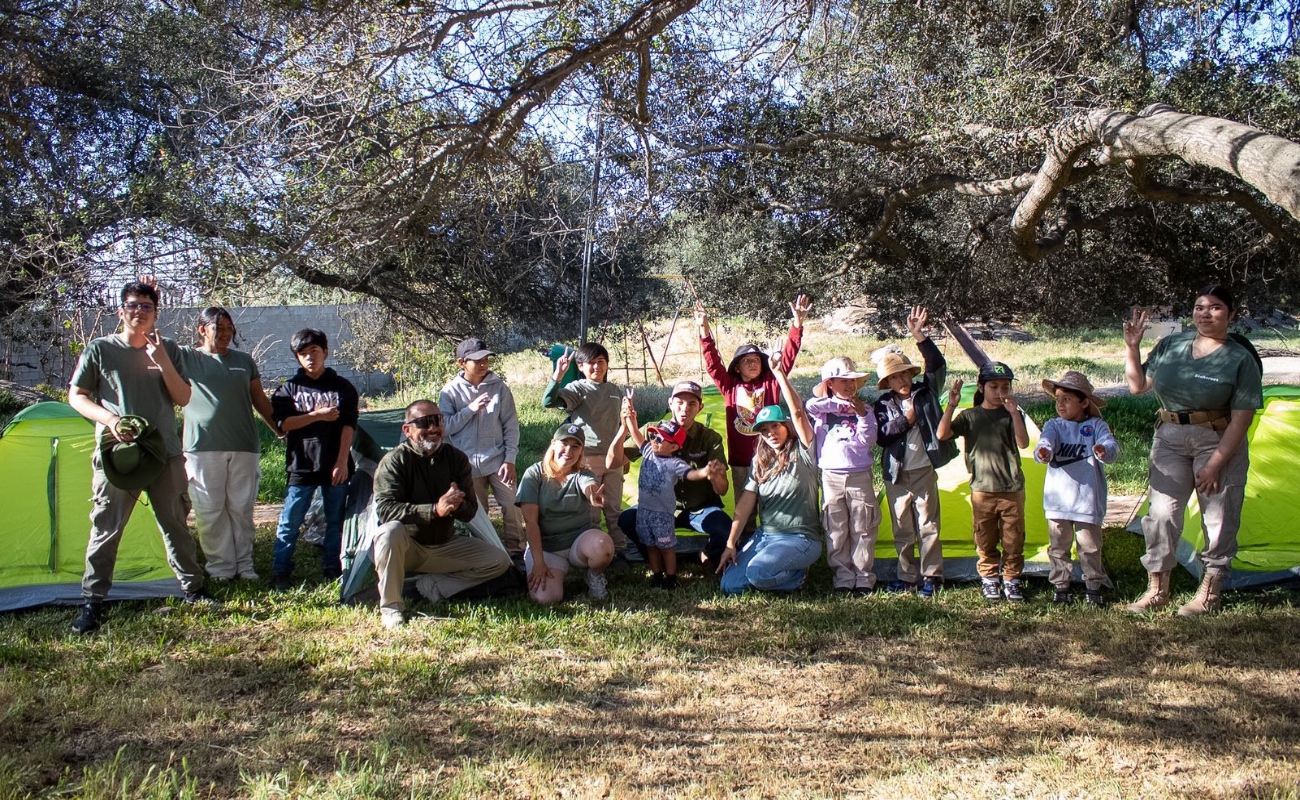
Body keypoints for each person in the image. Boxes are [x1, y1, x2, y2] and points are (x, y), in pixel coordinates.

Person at [67, 280, 212, 634]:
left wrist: (161, 358)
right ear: (121, 311)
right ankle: (92, 601)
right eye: (133, 305)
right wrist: (110, 419)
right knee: (106, 528)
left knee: (176, 522)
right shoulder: (100, 350)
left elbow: (182, 397)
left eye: (146, 306)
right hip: (119, 456)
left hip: (164, 454)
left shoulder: (169, 349)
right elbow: (77, 395)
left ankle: (193, 589)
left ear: (155, 313)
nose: (139, 312)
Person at [1123, 285, 1263, 615]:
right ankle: (1157, 591)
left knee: (1219, 516)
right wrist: (1132, 348)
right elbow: (1138, 386)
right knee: (1161, 515)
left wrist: (1215, 464)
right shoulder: (1172, 345)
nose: (1205, 313)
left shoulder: (1240, 358)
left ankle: (1209, 594)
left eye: (1215, 307)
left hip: (1217, 440)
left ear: (1230, 314)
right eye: (1200, 307)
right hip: (1169, 438)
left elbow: (1242, 421)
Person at [370, 400, 514, 629]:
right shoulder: (394, 462)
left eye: (437, 420)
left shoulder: (456, 458)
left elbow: (470, 512)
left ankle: (433, 586)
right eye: (424, 422)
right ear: (407, 430)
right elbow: (386, 510)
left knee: (498, 561)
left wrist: (457, 505)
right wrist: (434, 510)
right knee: (389, 533)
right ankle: (392, 607)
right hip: (407, 547)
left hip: (444, 544)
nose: (433, 428)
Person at [178, 307, 279, 582]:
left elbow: (260, 401)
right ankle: (221, 567)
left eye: (228, 329)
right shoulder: (187, 358)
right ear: (202, 330)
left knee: (241, 509)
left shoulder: (244, 362)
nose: (224, 334)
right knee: (210, 509)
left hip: (244, 445)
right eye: (218, 328)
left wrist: (281, 432)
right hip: (201, 447)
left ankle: (245, 566)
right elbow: (154, 345)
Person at [717, 352, 823, 595]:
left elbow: (798, 412)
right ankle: (774, 573)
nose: (771, 432)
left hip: (800, 538)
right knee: (729, 586)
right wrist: (731, 543)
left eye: (775, 425)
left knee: (757, 573)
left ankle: (797, 575)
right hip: (766, 537)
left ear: (786, 426)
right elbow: (745, 503)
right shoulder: (760, 460)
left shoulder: (804, 450)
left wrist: (779, 374)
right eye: (764, 430)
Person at [873, 306, 956, 598]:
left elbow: (936, 362)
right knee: (902, 528)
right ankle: (907, 577)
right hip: (896, 474)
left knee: (928, 524)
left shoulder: (926, 392)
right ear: (888, 383)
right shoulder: (882, 405)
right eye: (895, 378)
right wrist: (907, 419)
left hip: (923, 471)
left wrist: (918, 335)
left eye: (905, 374)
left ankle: (932, 576)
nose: (903, 381)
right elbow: (882, 436)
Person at [696, 295, 811, 499]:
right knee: (745, 509)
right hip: (741, 461)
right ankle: (746, 533)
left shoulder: (771, 381)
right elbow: (713, 363)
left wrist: (797, 324)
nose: (753, 364)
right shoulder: (730, 386)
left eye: (757, 359)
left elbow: (787, 359)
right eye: (746, 361)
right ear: (737, 368)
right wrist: (704, 331)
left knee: (772, 504)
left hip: (771, 455)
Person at [270, 328, 359, 588]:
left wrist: (343, 461)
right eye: (303, 353)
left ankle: (332, 566)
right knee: (290, 520)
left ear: (325, 353)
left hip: (335, 465)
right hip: (302, 466)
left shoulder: (342, 387)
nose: (310, 357)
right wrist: (316, 415)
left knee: (335, 520)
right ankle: (281, 570)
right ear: (296, 358)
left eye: (314, 351)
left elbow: (348, 426)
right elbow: (284, 424)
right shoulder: (288, 390)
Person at [936, 362, 1030, 603]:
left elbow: (1023, 443)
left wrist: (1014, 413)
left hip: (1012, 489)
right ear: (981, 387)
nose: (1000, 392)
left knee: (1013, 537)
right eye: (994, 386)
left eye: (1005, 387)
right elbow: (942, 434)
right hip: (982, 490)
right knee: (985, 537)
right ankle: (990, 579)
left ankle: (1012, 579)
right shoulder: (970, 416)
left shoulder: (1011, 414)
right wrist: (952, 405)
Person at [616, 380, 732, 571]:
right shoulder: (653, 431)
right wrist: (625, 425)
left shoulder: (710, 438)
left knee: (724, 528)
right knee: (627, 519)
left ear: (700, 407)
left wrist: (715, 475)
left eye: (692, 404)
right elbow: (615, 462)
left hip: (699, 509)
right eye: (679, 402)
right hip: (659, 509)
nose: (684, 409)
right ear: (670, 403)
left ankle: (707, 554)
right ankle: (656, 560)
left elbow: (723, 489)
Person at [608, 409, 725, 590]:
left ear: (674, 447)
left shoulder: (673, 463)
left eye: (661, 439)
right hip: (647, 511)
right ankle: (657, 573)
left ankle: (671, 577)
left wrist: (706, 472)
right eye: (654, 436)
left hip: (665, 514)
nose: (655, 440)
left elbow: (691, 474)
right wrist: (630, 418)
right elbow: (638, 436)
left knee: (666, 547)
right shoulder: (648, 450)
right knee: (650, 544)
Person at [1034, 371, 1119, 606]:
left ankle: (1093, 586)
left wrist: (1103, 449)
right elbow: (1046, 441)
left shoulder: (1096, 425)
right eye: (1057, 399)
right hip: (1058, 502)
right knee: (1058, 547)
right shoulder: (1054, 425)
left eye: (1067, 399)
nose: (1060, 404)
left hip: (1087, 500)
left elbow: (1111, 445)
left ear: (1084, 402)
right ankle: (1061, 587)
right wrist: (1043, 452)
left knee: (1090, 547)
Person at [439, 337, 524, 556]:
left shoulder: (499, 388)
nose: (483, 363)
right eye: (477, 360)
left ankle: (516, 551)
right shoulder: (449, 392)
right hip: (465, 464)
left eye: (486, 358)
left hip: (497, 460)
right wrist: (470, 409)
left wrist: (509, 459)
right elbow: (445, 428)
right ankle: (487, 554)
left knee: (512, 505)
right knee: (478, 513)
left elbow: (510, 425)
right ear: (461, 363)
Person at [542, 342, 629, 555]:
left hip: (613, 459)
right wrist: (558, 376)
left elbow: (617, 426)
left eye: (601, 362)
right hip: (588, 458)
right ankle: (594, 551)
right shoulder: (577, 389)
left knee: (614, 508)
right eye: (591, 362)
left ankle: (619, 550)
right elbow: (548, 402)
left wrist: (622, 454)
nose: (597, 367)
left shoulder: (614, 390)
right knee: (591, 511)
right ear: (581, 367)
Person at [517, 423, 616, 604]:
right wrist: (539, 563)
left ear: (581, 451)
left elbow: (588, 486)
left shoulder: (582, 473)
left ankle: (594, 576)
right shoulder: (534, 474)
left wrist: (593, 495)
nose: (568, 451)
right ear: (553, 444)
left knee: (604, 546)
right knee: (546, 599)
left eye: (575, 446)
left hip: (578, 543)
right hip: (547, 547)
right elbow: (530, 523)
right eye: (564, 443)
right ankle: (549, 568)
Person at [805, 357, 879, 595]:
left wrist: (861, 415)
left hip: (859, 476)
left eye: (854, 381)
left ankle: (864, 577)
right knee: (835, 527)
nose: (850, 386)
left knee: (863, 526)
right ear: (830, 384)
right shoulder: (822, 410)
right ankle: (843, 577)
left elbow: (869, 440)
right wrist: (838, 406)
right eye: (843, 381)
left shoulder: (866, 410)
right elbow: (810, 406)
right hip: (830, 476)